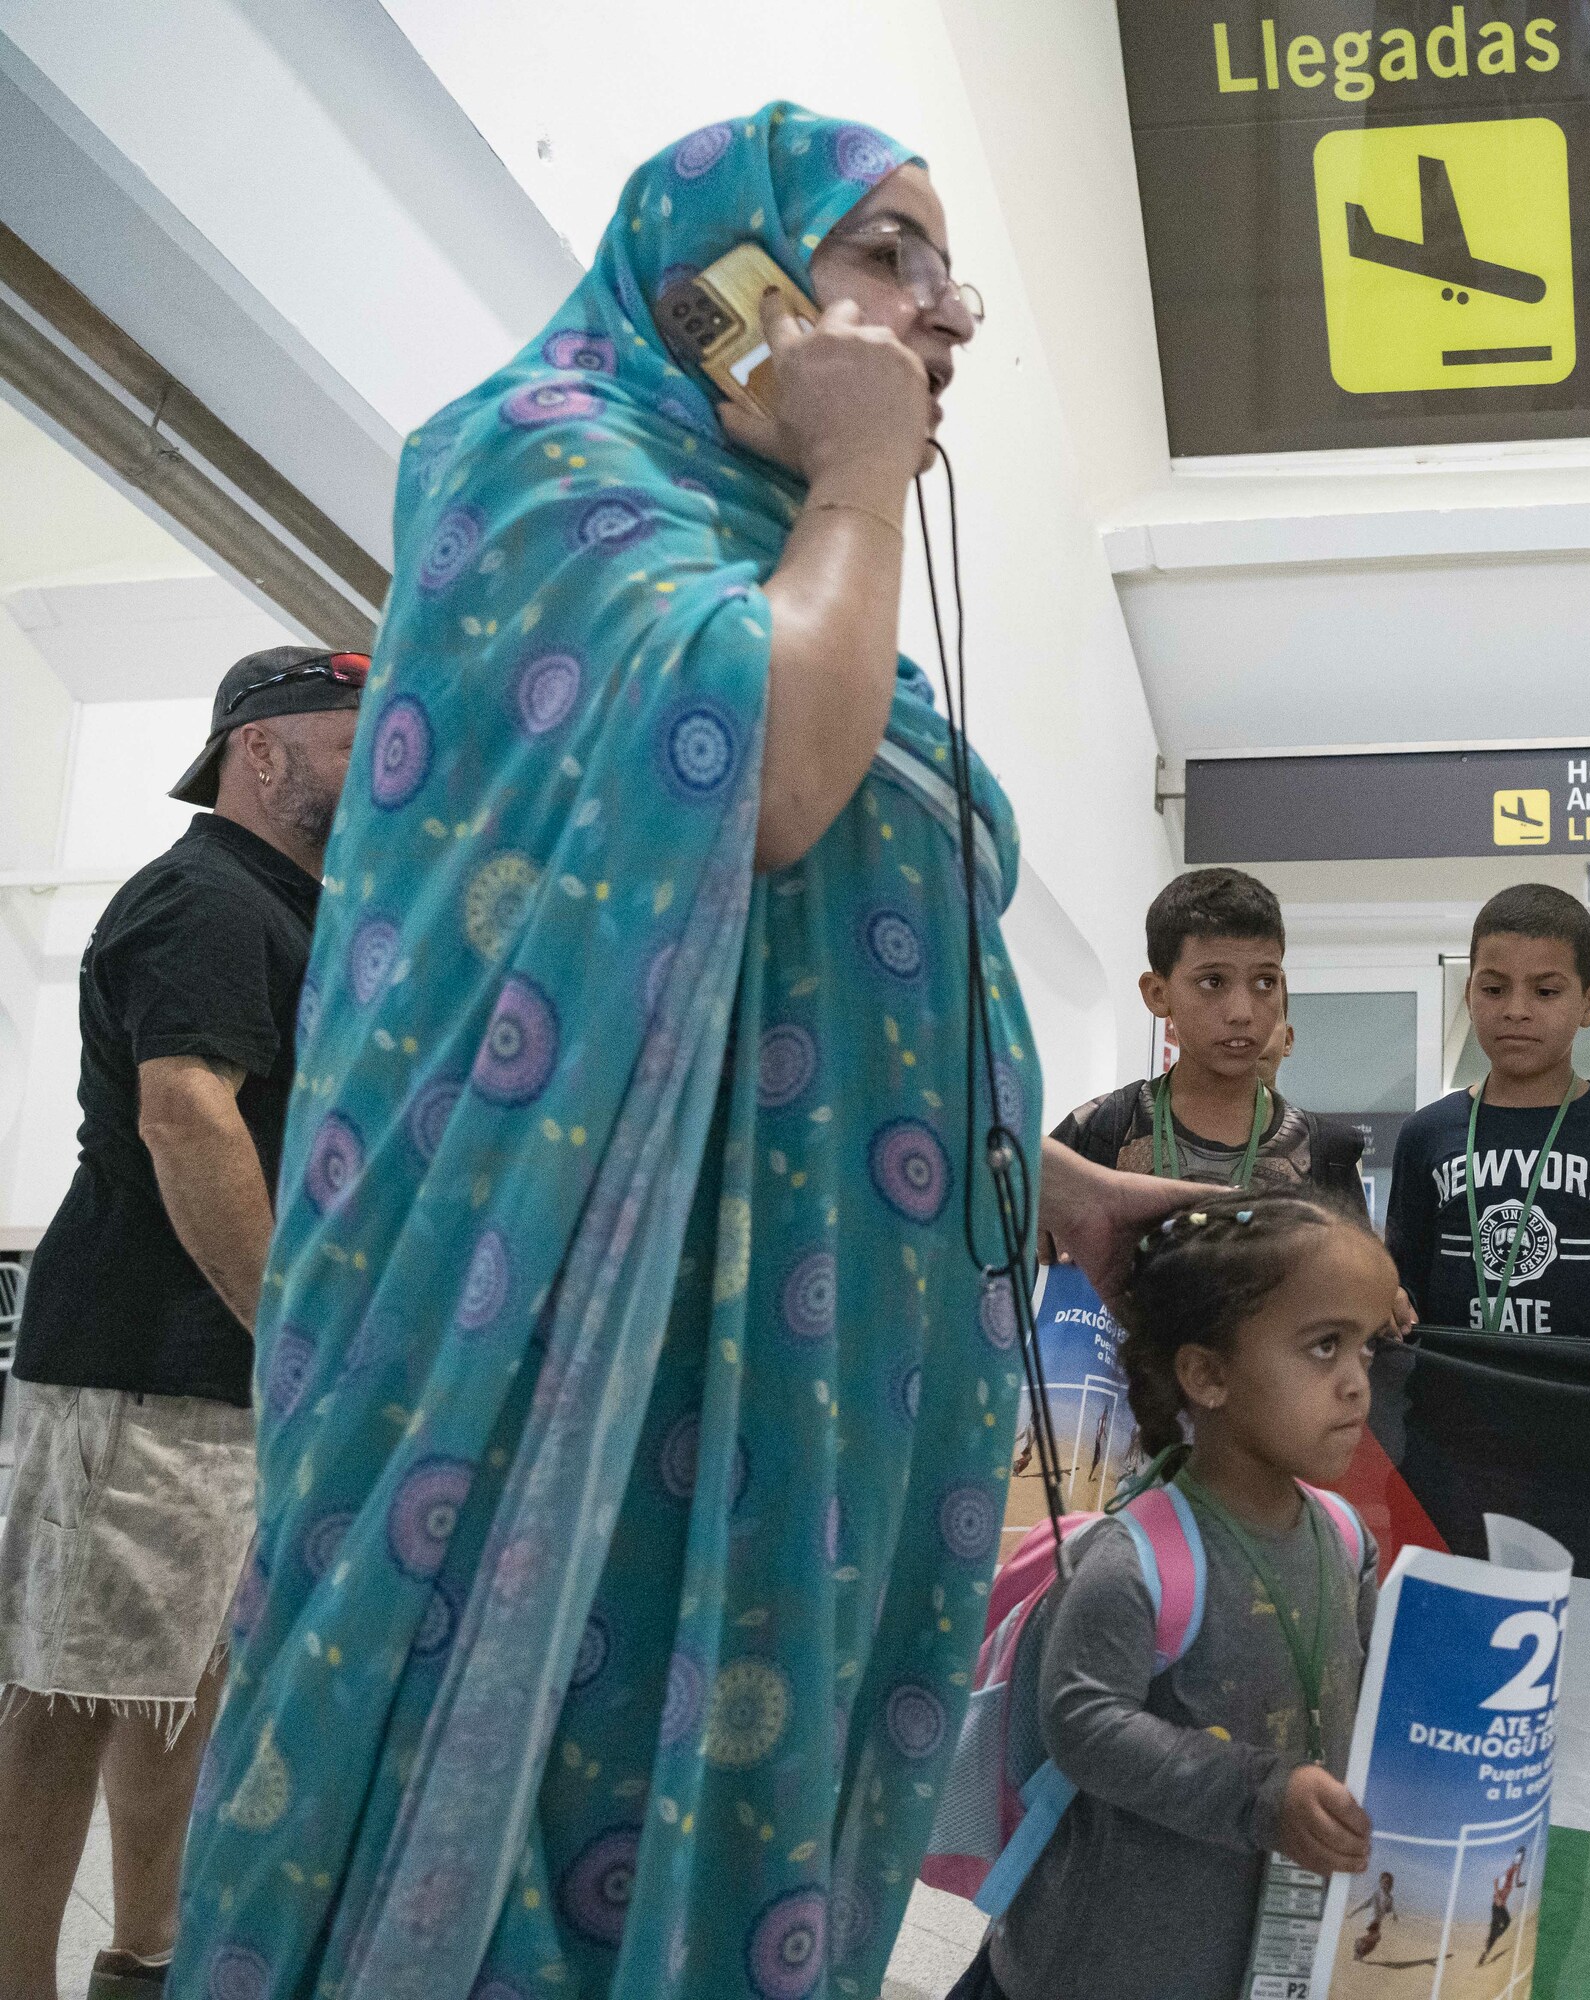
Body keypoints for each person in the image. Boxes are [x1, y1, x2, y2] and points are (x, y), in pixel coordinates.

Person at [169, 107, 1196, 1999]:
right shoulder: (542, 472)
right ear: (719, 284)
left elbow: (782, 978)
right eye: (886, 252)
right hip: (573, 1339)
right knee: (554, 1766)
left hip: (813, 1334)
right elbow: (775, 792)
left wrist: (1040, 1181)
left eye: (942, 272)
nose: (942, 309)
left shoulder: (804, 558)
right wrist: (861, 480)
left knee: (753, 1765)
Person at [0, 647, 360, 2000]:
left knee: (178, 1683)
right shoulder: (206, 896)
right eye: (349, 737)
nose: (382, 765)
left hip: (214, 1371)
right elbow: (183, 1112)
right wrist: (294, 1335)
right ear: (257, 754)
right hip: (144, 1362)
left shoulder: (293, 905)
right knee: (69, 1696)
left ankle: (145, 1959)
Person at [972, 1191, 1388, 2000]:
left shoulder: (1344, 1536)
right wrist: (1264, 1792)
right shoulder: (1134, 1562)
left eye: (1367, 1349)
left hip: (1258, 1950)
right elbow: (1085, 1728)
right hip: (1103, 1964)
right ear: (1207, 1374)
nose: (1356, 1385)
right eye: (1324, 1347)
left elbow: (1365, 1691)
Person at [1385, 885, 1590, 1577]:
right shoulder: (1427, 1134)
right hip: (1453, 1454)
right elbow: (1401, 1269)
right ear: (1469, 994)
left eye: (1546, 991)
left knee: (1589, 1670)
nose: (1516, 1009)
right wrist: (1386, 1294)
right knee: (1460, 1666)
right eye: (1494, 988)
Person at [1053, 868, 1319, 1191]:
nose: (1242, 1013)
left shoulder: (1323, 1154)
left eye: (1265, 982)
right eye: (1213, 982)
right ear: (1157, 994)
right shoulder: (1094, 1133)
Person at [1476, 1843, 1528, 1966]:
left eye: (1521, 1861)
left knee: (1507, 1922)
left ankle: (1490, 1939)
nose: (1519, 1864)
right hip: (1497, 1904)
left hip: (1502, 1905)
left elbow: (1517, 1883)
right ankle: (1486, 1951)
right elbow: (1495, 1880)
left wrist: (1523, 1884)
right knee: (1495, 1931)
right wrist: (1498, 1897)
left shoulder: (1516, 1870)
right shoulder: (1510, 1869)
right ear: (1517, 1859)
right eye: (1519, 1861)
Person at [1351, 1868, 1395, 1962]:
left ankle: (1359, 1955)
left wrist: (1394, 1916)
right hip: (1371, 1920)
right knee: (1376, 1936)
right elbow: (1363, 1904)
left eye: (1389, 1883)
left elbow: (1389, 1910)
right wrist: (1352, 1912)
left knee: (1373, 1943)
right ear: (1380, 1882)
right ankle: (1360, 1941)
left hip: (1378, 1922)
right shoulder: (1375, 1894)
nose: (1387, 1885)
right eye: (1385, 1882)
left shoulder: (1390, 1898)